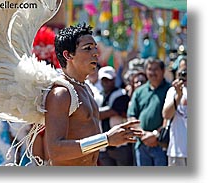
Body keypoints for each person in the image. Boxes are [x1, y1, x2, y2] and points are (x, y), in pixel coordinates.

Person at [44, 23, 143, 166]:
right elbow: (55, 150)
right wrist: (106, 139)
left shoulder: (86, 88)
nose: (96, 53)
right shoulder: (61, 93)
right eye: (88, 48)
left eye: (95, 47)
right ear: (68, 55)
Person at [127, 58, 171, 166]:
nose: (152, 73)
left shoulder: (170, 90)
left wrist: (155, 135)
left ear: (163, 71)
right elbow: (131, 116)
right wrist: (143, 135)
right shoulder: (139, 91)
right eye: (149, 69)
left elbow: (172, 118)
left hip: (161, 145)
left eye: (155, 69)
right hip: (142, 144)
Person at [98, 66, 133, 166]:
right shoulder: (98, 96)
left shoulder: (121, 94)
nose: (106, 83)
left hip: (121, 145)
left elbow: (111, 112)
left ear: (114, 79)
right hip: (103, 145)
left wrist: (93, 113)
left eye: (108, 80)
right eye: (104, 80)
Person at [162, 57, 187, 166]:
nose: (185, 75)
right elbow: (166, 115)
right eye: (182, 72)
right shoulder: (173, 91)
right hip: (177, 151)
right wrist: (178, 96)